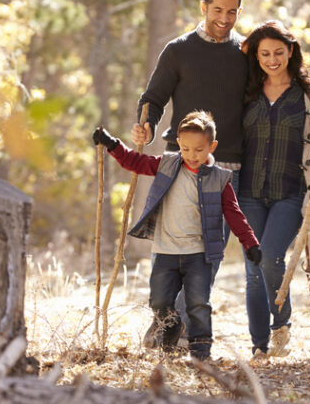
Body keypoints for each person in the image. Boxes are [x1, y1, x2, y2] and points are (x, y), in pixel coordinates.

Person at [132, 0, 310, 339]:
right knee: (174, 247)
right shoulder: (178, 50)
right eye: (218, 9)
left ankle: (177, 330)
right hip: (180, 163)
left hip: (229, 169)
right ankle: (165, 320)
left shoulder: (245, 53)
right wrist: (144, 124)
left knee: (210, 253)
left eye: (233, 12)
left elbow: (281, 76)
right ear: (204, 7)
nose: (224, 18)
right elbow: (153, 98)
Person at [93, 112, 262, 361]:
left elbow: (234, 213)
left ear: (212, 146)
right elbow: (135, 162)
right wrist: (112, 144)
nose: (192, 155)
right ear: (178, 144)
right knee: (159, 301)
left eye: (198, 149)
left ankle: (201, 352)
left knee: (198, 304)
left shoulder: (219, 178)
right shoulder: (168, 164)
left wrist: (250, 242)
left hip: (199, 254)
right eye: (185, 148)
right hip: (165, 251)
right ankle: (171, 327)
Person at [237, 21, 310, 360]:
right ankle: (259, 346)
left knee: (271, 257)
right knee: (252, 269)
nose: (272, 59)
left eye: (278, 52)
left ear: (291, 51)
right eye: (265, 53)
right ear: (257, 56)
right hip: (248, 191)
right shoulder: (245, 89)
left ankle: (281, 323)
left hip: (291, 191)